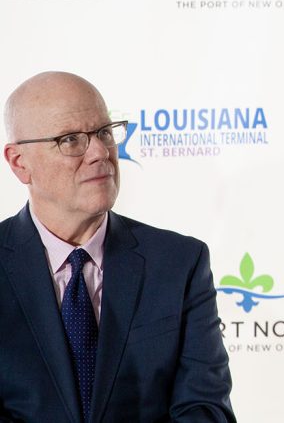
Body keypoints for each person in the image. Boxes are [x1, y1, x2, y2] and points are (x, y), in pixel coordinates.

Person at [0, 71, 235, 423]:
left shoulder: (179, 263)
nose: (100, 152)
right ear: (20, 163)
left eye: (105, 132)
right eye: (70, 140)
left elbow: (204, 409)